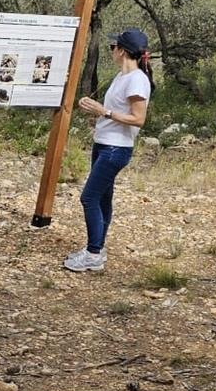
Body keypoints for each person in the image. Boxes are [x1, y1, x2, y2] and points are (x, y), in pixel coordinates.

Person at [66, 29, 154, 274]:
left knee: (89, 197)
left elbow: (138, 119)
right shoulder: (121, 77)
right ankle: (98, 248)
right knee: (103, 198)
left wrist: (102, 111)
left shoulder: (137, 80)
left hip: (116, 148)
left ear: (122, 50)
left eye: (112, 46)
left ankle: (93, 253)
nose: (111, 50)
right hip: (104, 143)